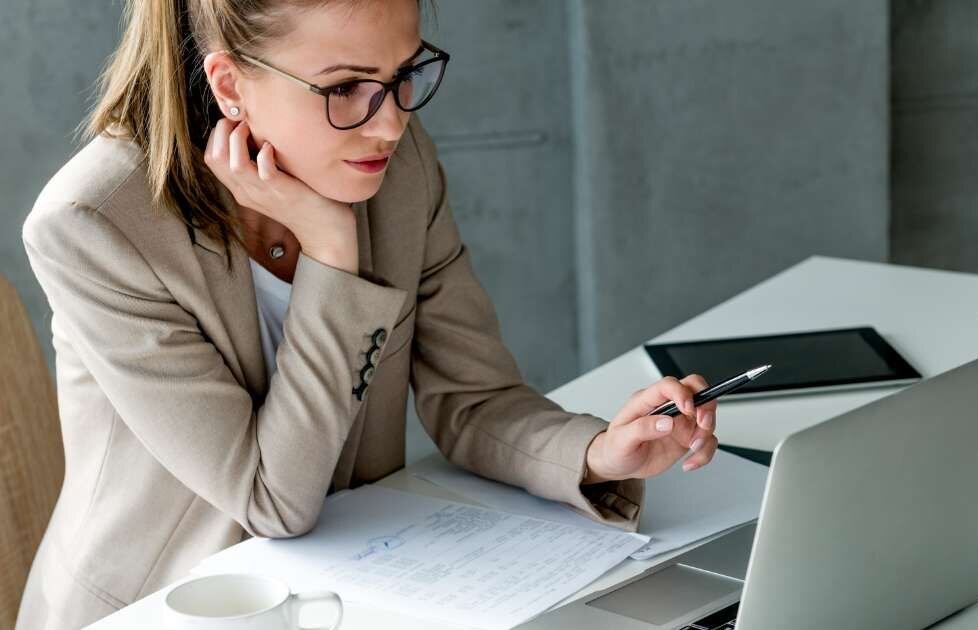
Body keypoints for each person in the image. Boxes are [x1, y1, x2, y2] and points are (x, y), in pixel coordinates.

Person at [16, 1, 720, 627]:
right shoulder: (95, 223)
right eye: (346, 88)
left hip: (354, 585)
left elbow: (472, 397)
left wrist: (598, 454)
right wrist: (329, 248)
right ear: (229, 83)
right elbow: (270, 500)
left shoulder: (396, 166)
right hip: (169, 606)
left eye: (404, 74)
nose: (391, 122)